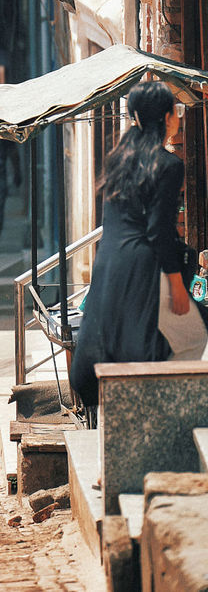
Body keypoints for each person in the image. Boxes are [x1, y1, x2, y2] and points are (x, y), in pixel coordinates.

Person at [69, 81, 208, 409]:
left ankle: (143, 410)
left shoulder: (119, 159)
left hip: (109, 263)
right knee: (193, 337)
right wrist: (176, 284)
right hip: (146, 266)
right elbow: (158, 231)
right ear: (168, 117)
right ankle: (163, 414)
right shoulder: (168, 164)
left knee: (125, 342)